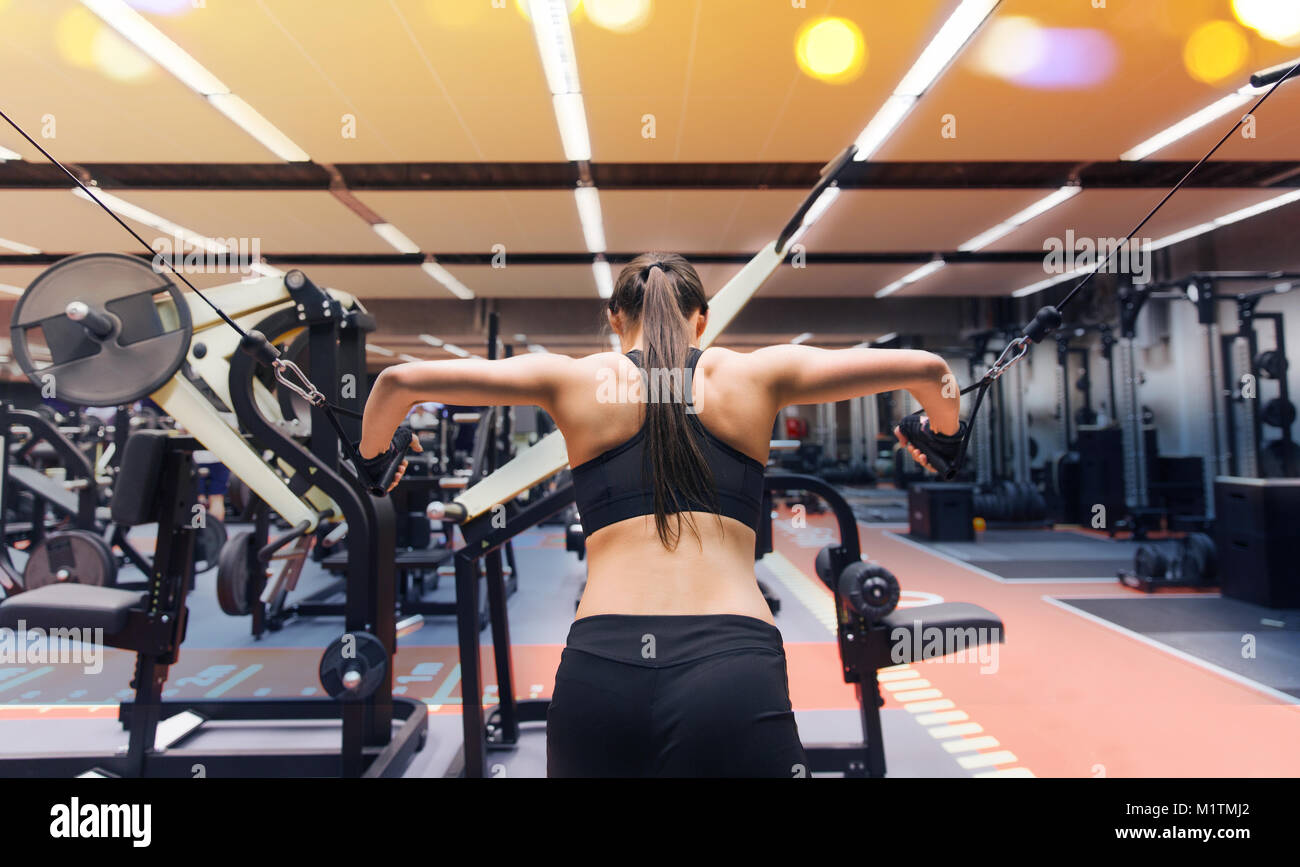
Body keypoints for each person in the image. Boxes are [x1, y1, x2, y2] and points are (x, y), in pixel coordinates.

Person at [360, 252, 962, 777]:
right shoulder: (756, 375)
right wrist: (938, 434)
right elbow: (931, 372)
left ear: (615, 321)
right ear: (702, 318)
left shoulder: (574, 380)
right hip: (732, 668)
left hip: (600, 671)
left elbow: (397, 382)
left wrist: (376, 460)